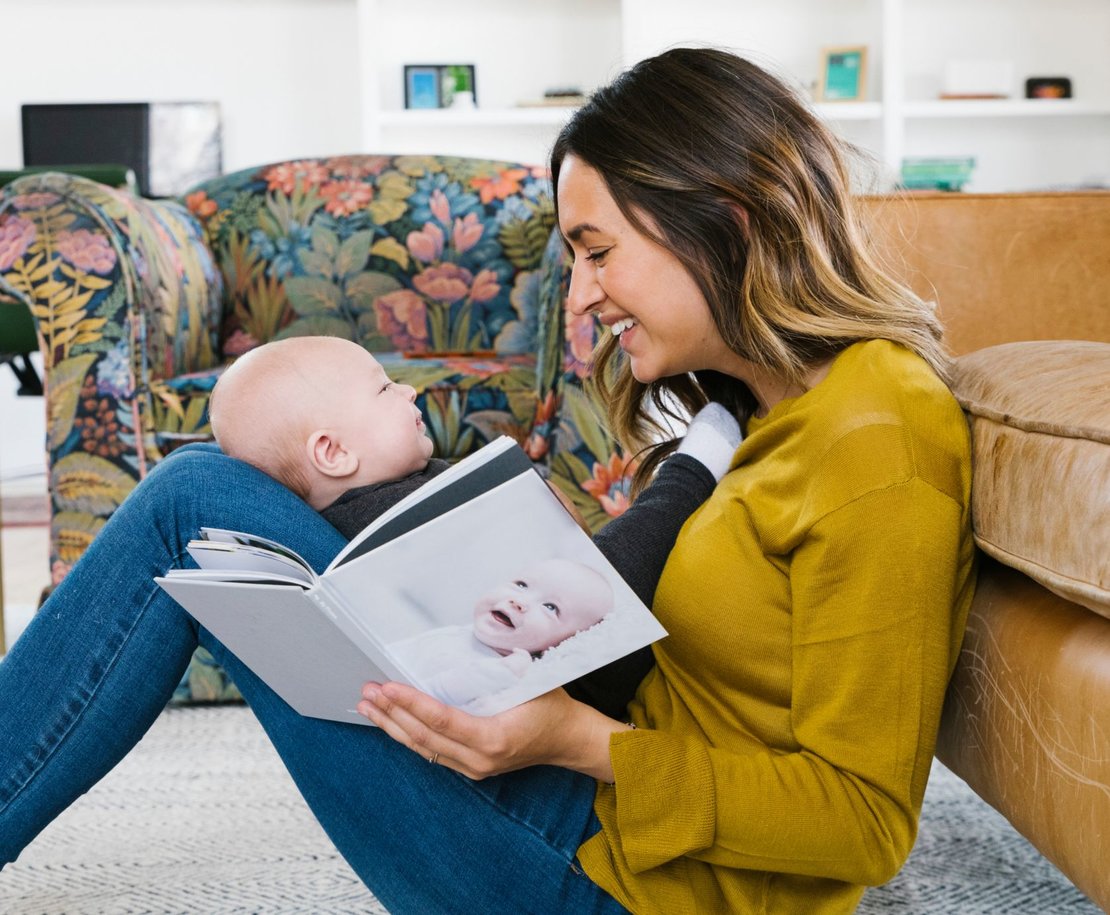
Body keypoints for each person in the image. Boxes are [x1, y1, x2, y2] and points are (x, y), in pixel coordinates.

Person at [0, 47, 977, 915]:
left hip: (624, 881)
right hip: (592, 812)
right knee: (213, 481)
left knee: (191, 502)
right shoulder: (760, 411)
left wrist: (572, 740)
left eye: (598, 251)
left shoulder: (876, 440)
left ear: (724, 220)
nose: (581, 295)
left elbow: (863, 826)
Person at [205, 332, 742, 716]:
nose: (409, 391)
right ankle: (690, 472)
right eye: (384, 389)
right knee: (615, 573)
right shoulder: (370, 519)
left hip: (565, 663)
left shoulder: (391, 484)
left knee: (591, 579)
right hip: (575, 684)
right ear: (333, 453)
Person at [390, 557, 614, 709]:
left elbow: (439, 699)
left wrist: (502, 673)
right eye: (522, 585)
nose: (519, 601)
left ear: (564, 643)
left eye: (550, 607)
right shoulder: (461, 633)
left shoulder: (504, 670)